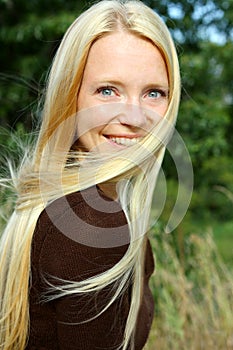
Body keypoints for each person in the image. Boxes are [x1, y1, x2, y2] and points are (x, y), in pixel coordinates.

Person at [0, 0, 181, 349]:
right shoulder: (91, 225)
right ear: (71, 98)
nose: (134, 117)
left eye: (153, 93)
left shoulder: (69, 205)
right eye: (107, 90)